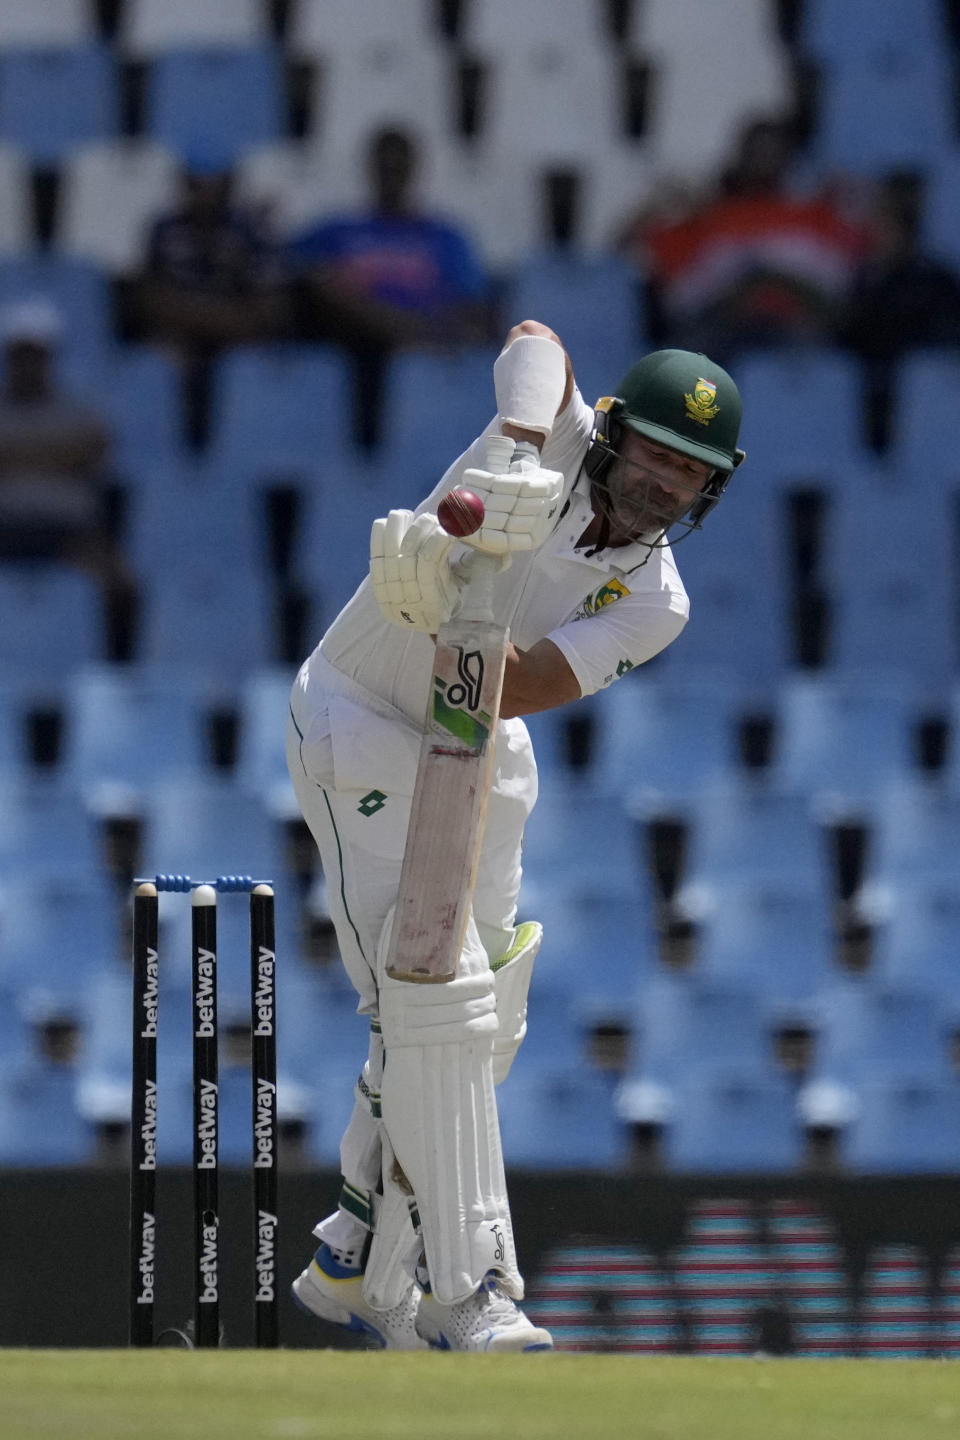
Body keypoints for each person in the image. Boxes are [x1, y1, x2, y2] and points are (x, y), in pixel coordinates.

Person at [286, 319, 745, 1351]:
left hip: (480, 746)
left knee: (483, 1022)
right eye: (658, 454)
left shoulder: (657, 601)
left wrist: (448, 602)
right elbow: (538, 336)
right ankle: (473, 1291)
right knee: (427, 1004)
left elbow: (517, 688)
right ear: (617, 435)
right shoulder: (555, 440)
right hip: (358, 722)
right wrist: (513, 448)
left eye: (692, 472)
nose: (666, 482)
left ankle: (356, 1244)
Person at [286, 126, 497, 446]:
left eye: (398, 166)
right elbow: (293, 273)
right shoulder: (335, 231)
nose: (391, 174)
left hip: (421, 351)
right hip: (348, 346)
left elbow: (475, 311)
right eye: (384, 165)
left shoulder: (446, 238)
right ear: (370, 168)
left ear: (414, 169)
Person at [619, 116, 868, 361]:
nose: (764, 160)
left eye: (773, 152)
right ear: (741, 155)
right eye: (757, 151)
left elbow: (837, 296)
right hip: (723, 332)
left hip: (794, 335)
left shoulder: (812, 216)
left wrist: (777, 281)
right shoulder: (711, 215)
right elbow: (636, 260)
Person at [0, 298, 138, 660]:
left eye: (36, 355)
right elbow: (74, 453)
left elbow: (93, 452)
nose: (27, 364)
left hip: (65, 534)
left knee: (118, 582)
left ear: (50, 357)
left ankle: (110, 676)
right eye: (20, 355)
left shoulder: (79, 409)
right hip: (5, 530)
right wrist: (57, 455)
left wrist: (15, 457)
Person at [127, 158, 284, 444]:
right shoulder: (163, 230)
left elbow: (265, 312)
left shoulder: (251, 232)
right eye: (197, 184)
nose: (206, 193)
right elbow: (150, 303)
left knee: (249, 368)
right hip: (181, 343)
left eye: (215, 183)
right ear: (185, 184)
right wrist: (228, 318)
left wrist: (190, 315)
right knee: (157, 364)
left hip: (236, 346)